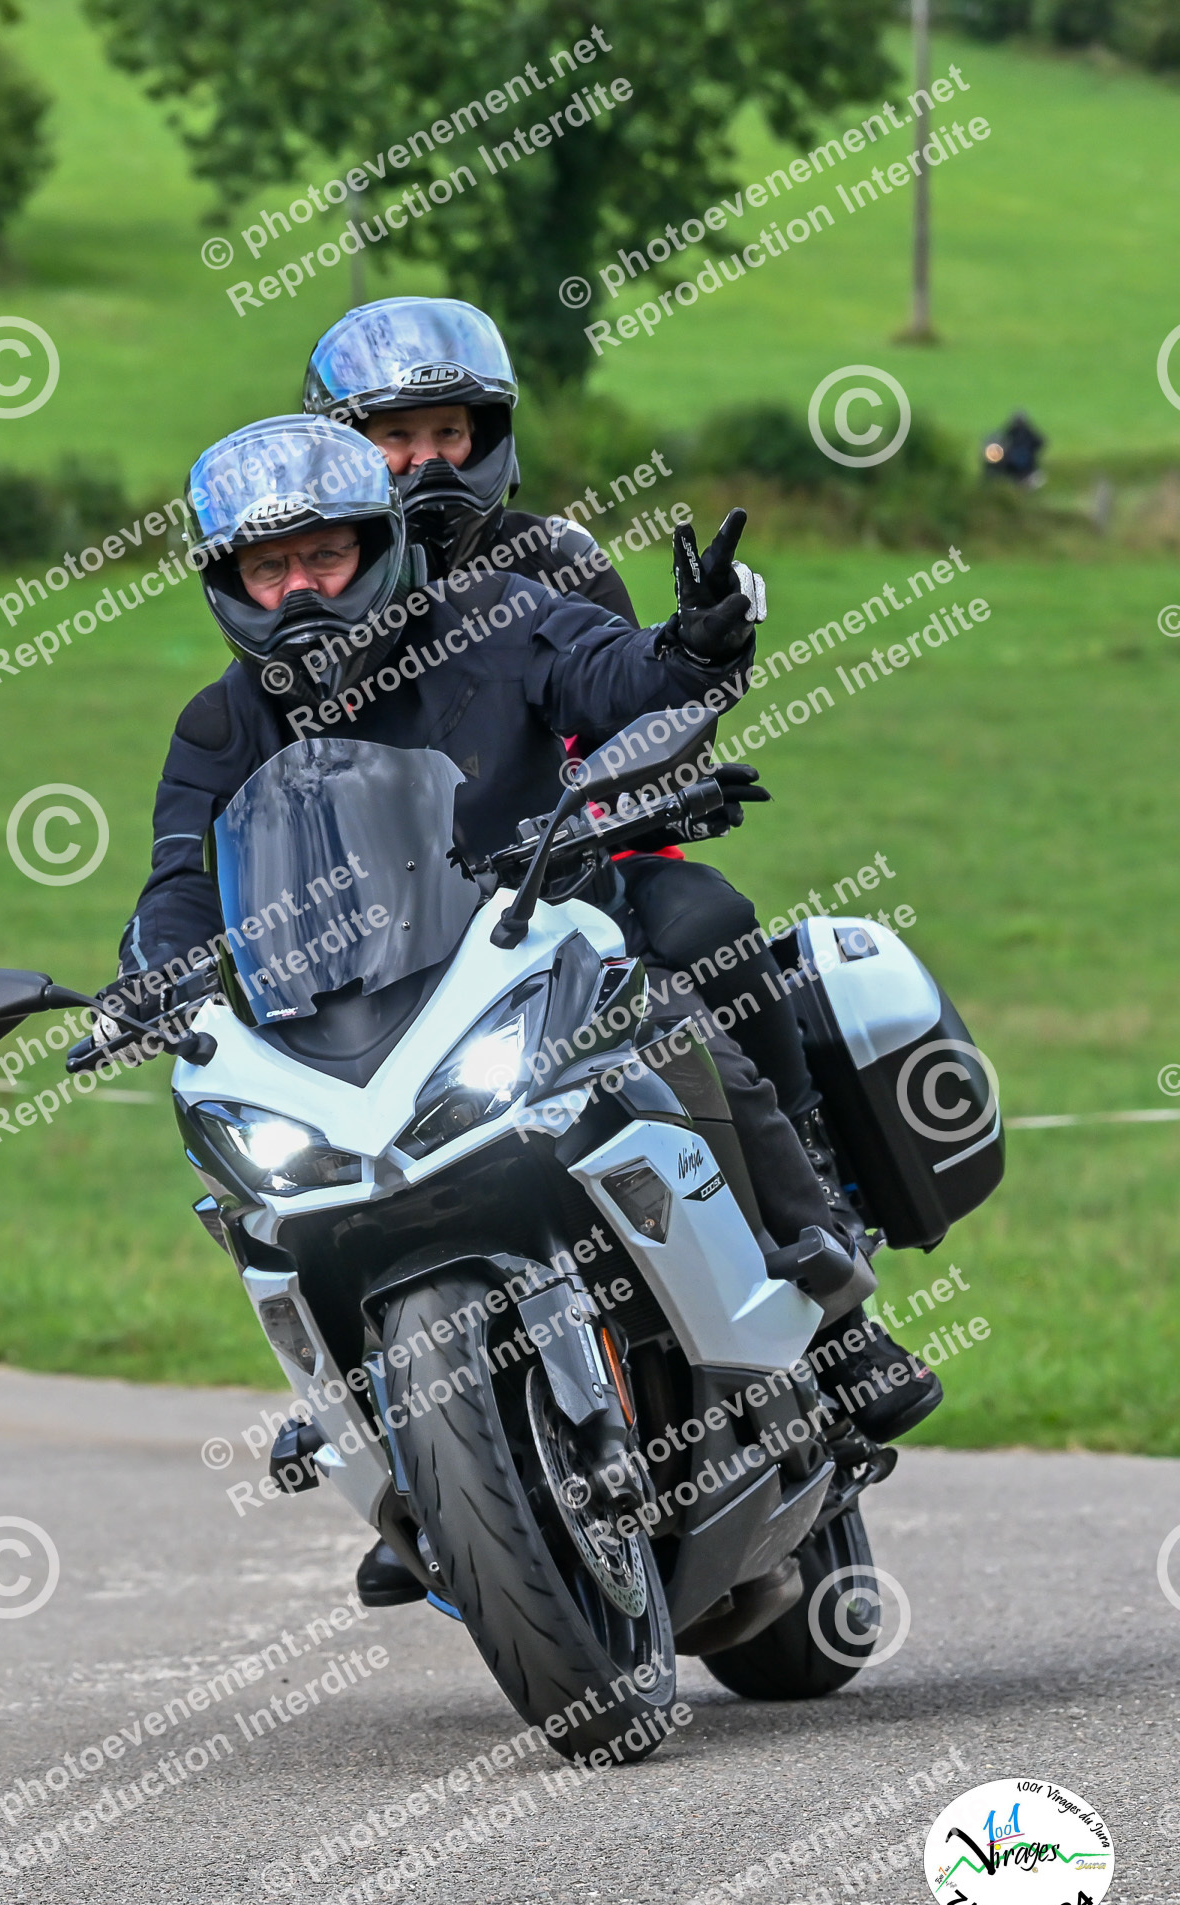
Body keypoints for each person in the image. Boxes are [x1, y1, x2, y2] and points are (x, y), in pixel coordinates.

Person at [102, 416, 939, 1603]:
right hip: (347, 1018)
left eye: (324, 557)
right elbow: (180, 882)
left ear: (377, 546)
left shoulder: (492, 623)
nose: (300, 591)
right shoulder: (221, 723)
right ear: (229, 582)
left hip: (541, 946)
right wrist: (150, 977)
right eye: (269, 568)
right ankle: (406, 1443)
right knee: (269, 1196)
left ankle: (840, 1323)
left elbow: (621, 676)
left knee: (677, 1029)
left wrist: (697, 643)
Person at [301, 297, 856, 1235]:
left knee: (708, 922)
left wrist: (663, 772)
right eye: (395, 436)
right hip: (406, 923)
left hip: (576, 872)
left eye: (450, 433)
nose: (428, 461)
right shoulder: (313, 596)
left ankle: (808, 1175)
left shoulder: (554, 557)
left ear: (489, 439)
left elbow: (633, 702)